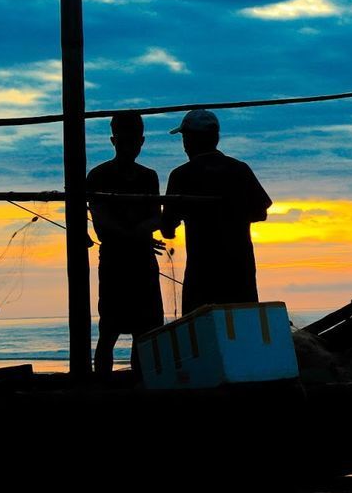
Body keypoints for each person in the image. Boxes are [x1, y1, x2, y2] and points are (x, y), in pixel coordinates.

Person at [160, 109, 272, 314]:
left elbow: (167, 228)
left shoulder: (181, 175)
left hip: (202, 275)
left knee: (201, 331)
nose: (184, 144)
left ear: (190, 140)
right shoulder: (240, 169)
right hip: (240, 272)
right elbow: (261, 212)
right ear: (216, 138)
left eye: (185, 137)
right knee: (243, 326)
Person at [86, 112, 164, 376]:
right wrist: (137, 234)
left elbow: (156, 216)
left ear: (141, 141)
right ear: (113, 140)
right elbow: (99, 219)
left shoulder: (148, 177)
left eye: (133, 141)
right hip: (115, 262)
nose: (129, 146)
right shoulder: (97, 176)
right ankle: (103, 383)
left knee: (145, 331)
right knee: (108, 329)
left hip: (141, 261)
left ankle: (139, 381)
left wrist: (135, 233)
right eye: (124, 140)